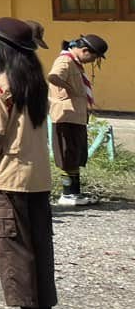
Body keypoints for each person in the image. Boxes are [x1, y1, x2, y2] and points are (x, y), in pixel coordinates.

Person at [0, 18, 61, 309]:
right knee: (40, 245)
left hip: (10, 175)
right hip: (38, 176)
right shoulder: (35, 81)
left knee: (14, 246)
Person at [48, 34, 106, 207]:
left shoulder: (76, 63)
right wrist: (70, 90)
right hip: (65, 115)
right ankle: (67, 194)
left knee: (75, 153)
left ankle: (75, 192)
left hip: (76, 116)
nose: (93, 60)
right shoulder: (65, 61)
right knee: (66, 153)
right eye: (93, 56)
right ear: (84, 50)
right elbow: (53, 77)